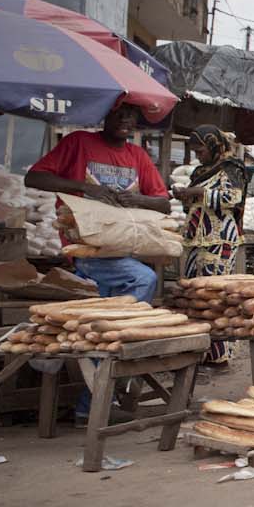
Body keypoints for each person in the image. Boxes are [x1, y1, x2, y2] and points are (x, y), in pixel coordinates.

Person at [26, 104, 169, 422]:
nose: (126, 120)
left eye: (131, 116)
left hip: (122, 251)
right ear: (105, 116)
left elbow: (163, 203)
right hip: (88, 251)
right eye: (119, 114)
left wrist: (137, 199)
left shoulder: (138, 156)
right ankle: (121, 346)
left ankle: (89, 407)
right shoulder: (79, 143)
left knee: (100, 330)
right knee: (143, 283)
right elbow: (33, 177)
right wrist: (84, 187)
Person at [173, 126, 247, 366]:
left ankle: (219, 354)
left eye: (201, 150)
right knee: (196, 292)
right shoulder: (200, 171)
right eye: (194, 151)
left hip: (221, 238)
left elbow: (233, 198)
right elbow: (193, 204)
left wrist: (197, 192)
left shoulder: (231, 168)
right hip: (196, 237)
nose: (198, 155)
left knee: (216, 294)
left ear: (214, 145)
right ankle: (199, 349)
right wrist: (185, 196)